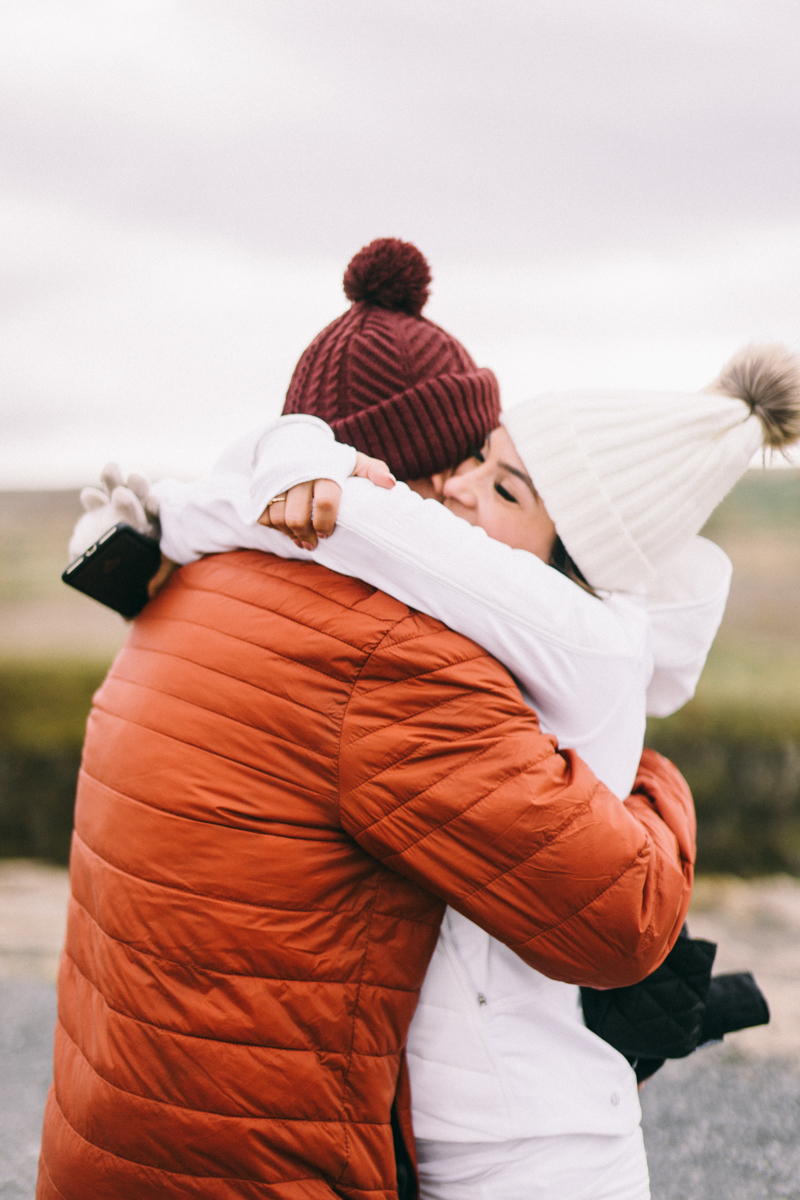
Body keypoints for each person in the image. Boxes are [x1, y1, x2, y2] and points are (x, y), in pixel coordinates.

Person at [41, 240, 701, 1200]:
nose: (479, 493)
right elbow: (617, 920)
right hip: (259, 1170)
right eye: (472, 462)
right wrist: (653, 782)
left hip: (109, 1146)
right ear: (420, 484)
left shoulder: (185, 586)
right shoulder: (390, 656)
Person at [126, 334, 798, 1200]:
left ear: (573, 561)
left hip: (540, 1151)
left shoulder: (580, 640)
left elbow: (357, 527)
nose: (459, 485)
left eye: (505, 486)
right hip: (463, 1124)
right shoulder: (525, 627)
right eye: (483, 456)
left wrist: (236, 482)